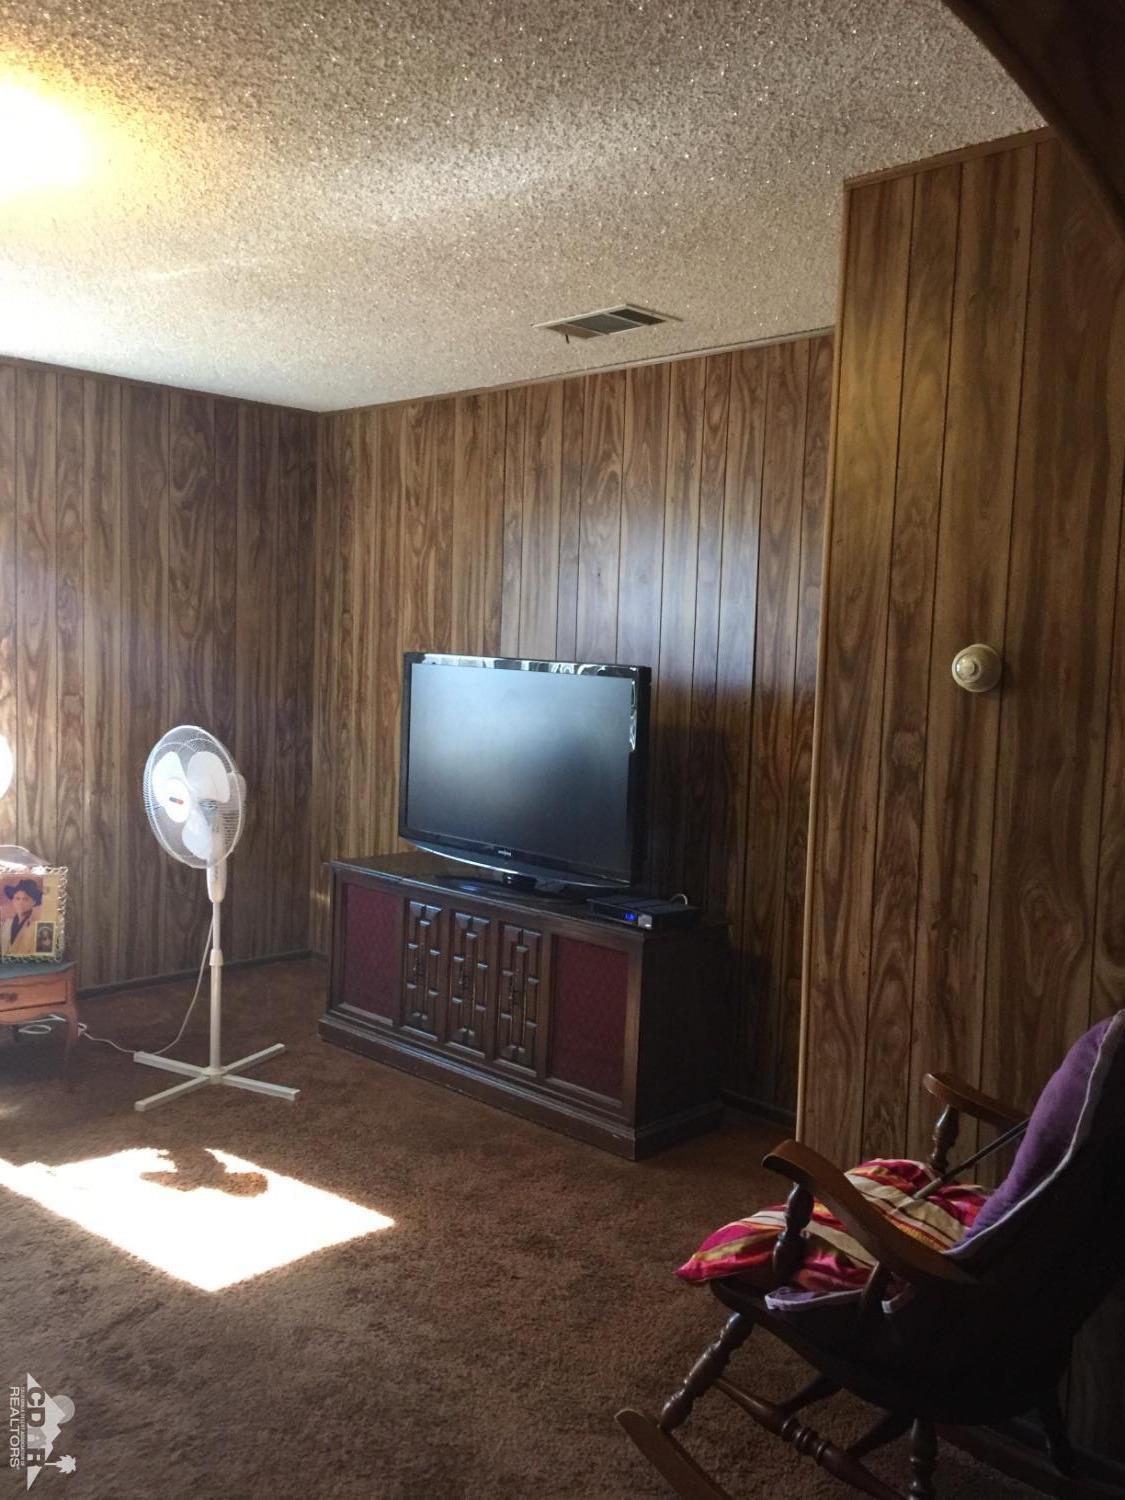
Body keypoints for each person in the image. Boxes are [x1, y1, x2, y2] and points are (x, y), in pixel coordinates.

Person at [2, 877, 43, 957]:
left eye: (25, 899)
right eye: (17, 898)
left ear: (34, 902)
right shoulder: (6, 924)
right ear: (13, 901)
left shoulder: (36, 926)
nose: (20, 903)